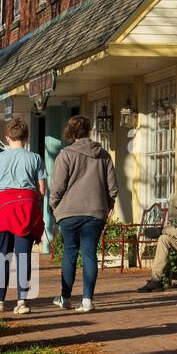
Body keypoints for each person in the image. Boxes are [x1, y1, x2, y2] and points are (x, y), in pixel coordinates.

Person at [49, 115, 118, 312]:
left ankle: (66, 297)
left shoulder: (66, 154)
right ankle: (87, 299)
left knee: (70, 254)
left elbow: (58, 187)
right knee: (89, 253)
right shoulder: (103, 155)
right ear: (89, 130)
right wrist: (108, 204)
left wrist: (54, 206)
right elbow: (112, 187)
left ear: (70, 132)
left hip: (69, 212)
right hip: (96, 212)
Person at [0, 118, 47, 314]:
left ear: (7, 137)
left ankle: (0, 300)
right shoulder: (35, 158)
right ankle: (22, 301)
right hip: (26, 208)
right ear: (26, 137)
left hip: (4, 209)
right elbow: (42, 190)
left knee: (3, 255)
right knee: (24, 256)